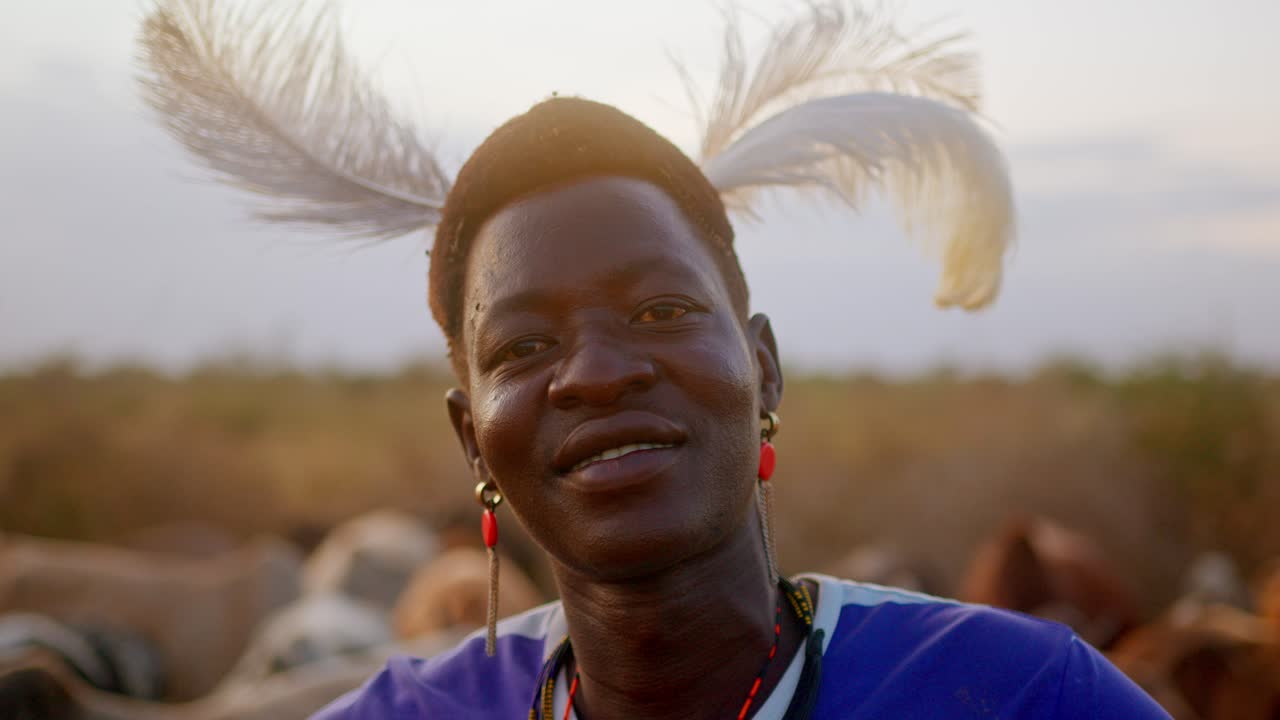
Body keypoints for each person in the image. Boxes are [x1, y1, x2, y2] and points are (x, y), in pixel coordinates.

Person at [138, 1, 1171, 717]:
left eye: (662, 308)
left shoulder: (1017, 697)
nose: (592, 372)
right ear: (472, 438)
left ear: (761, 368)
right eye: (525, 345)